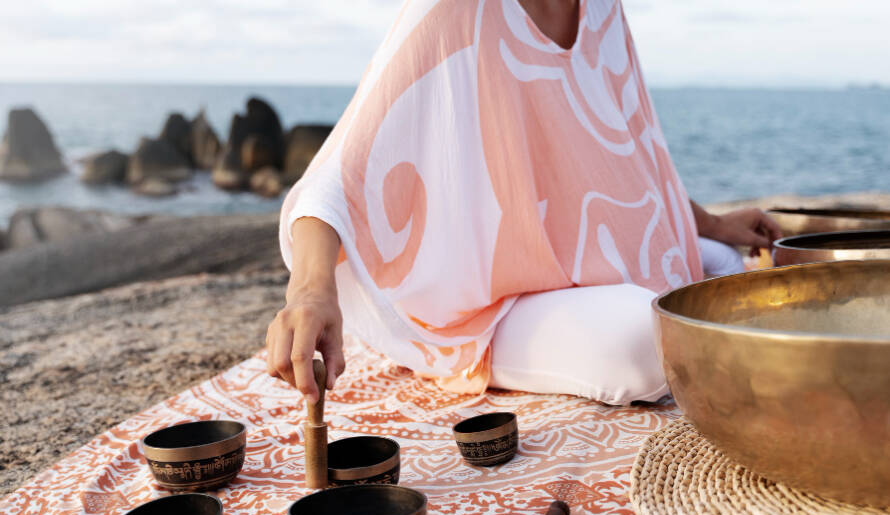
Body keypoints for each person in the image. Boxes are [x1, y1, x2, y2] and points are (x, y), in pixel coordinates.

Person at [266, 0, 781, 406]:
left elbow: (625, 161)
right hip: (489, 290)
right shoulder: (453, 10)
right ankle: (449, 349)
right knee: (647, 341)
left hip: (573, 261)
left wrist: (712, 223)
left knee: (720, 265)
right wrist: (310, 290)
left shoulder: (602, 9)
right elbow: (339, 173)